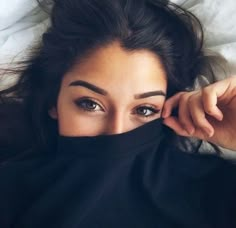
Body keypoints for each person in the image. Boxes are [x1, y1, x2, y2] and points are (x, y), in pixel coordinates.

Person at [0, 0, 235, 227]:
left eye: (144, 109)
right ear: (54, 101)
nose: (117, 131)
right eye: (90, 104)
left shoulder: (215, 190)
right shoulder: (9, 190)